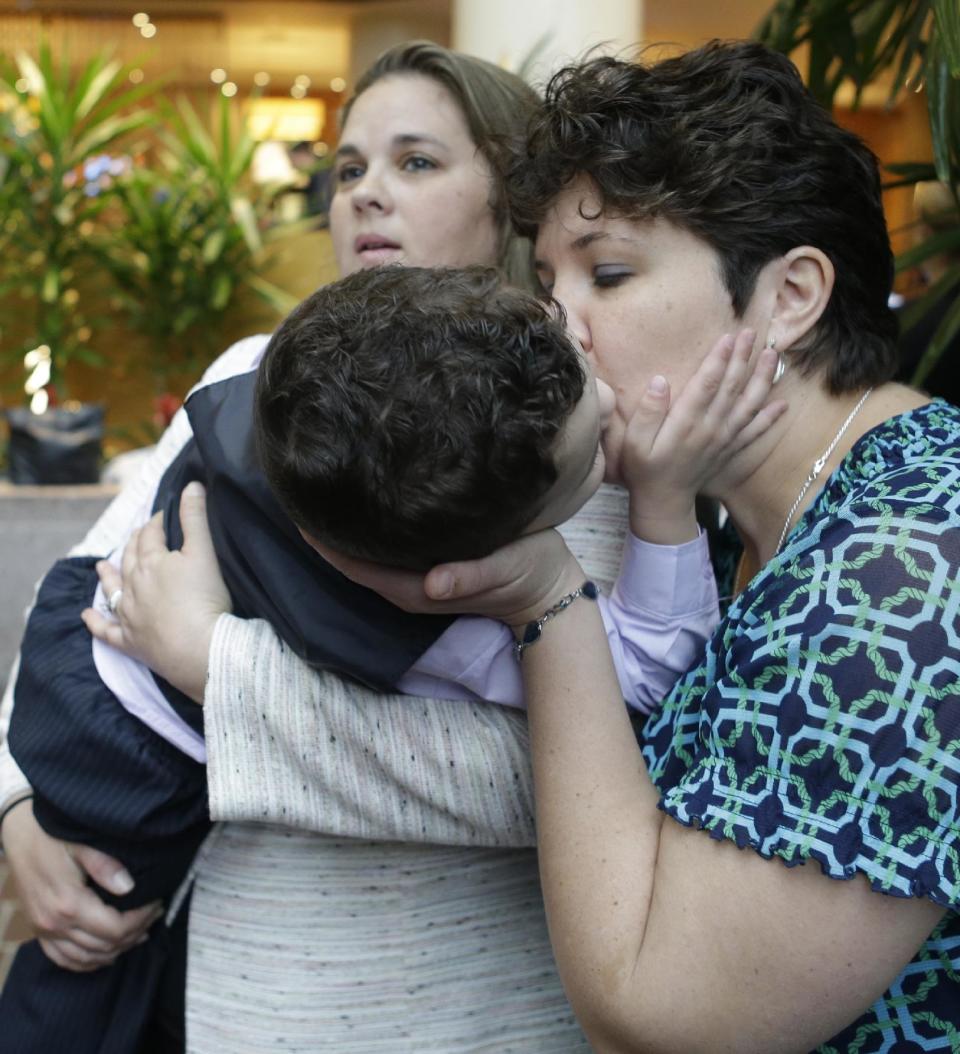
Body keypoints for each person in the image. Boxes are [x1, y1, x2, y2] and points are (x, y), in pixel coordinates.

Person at [0, 41, 766, 1052]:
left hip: (475, 1010)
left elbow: (595, 775)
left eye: (415, 162)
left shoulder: (595, 425)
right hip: (246, 991)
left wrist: (215, 666)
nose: (365, 194)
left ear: (511, 198)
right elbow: (86, 603)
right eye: (349, 167)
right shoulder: (260, 375)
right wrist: (19, 807)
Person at [323, 41, 960, 1053]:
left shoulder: (899, 571)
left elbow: (655, 1009)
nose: (554, 326)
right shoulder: (733, 527)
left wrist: (548, 601)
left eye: (608, 273)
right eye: (548, 278)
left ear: (790, 297)